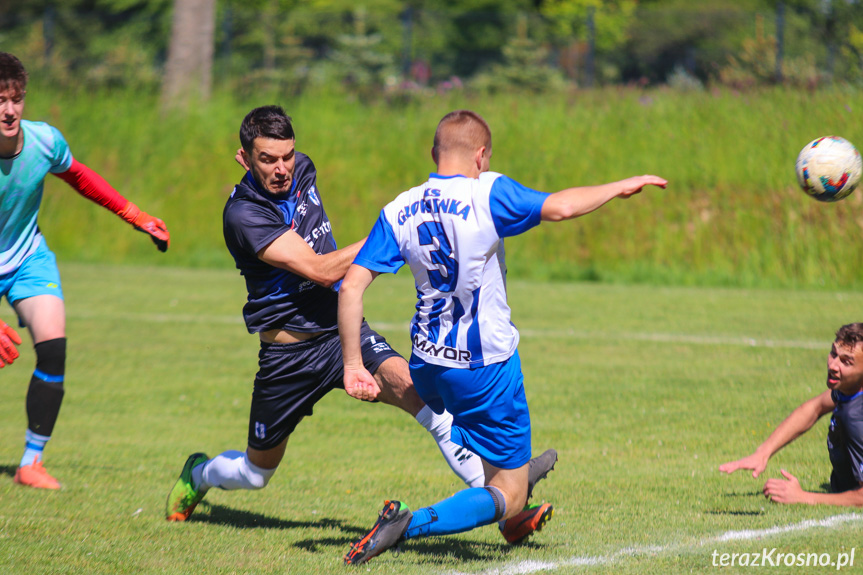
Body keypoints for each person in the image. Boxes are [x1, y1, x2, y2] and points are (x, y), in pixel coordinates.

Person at [164, 106, 558, 545]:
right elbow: (319, 269)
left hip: (341, 332)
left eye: (287, 156)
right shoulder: (244, 215)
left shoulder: (303, 171)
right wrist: (398, 234)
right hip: (288, 355)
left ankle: (504, 506)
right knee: (256, 473)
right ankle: (199, 474)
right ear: (244, 158)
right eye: (267, 160)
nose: (281, 169)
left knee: (432, 407)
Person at [338, 109, 667, 565]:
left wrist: (353, 364)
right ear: (481, 155)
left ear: (434, 154)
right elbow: (563, 206)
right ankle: (411, 524)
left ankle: (510, 500)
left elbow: (351, 286)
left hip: (428, 362)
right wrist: (619, 186)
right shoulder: (486, 190)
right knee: (509, 493)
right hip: (484, 367)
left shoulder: (400, 207)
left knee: (480, 448)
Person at [0, 52, 170, 490]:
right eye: (0, 100)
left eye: (16, 98)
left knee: (53, 349)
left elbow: (77, 175)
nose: (9, 110)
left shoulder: (43, 141)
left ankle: (31, 462)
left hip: (26, 258)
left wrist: (134, 214)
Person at [719, 323, 863, 507]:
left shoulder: (856, 419)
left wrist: (803, 497)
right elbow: (814, 408)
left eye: (846, 361)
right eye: (833, 353)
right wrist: (763, 452)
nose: (833, 365)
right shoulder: (848, 390)